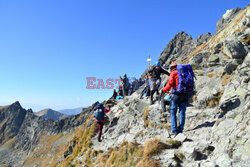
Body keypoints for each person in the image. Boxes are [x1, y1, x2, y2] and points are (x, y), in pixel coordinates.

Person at [159, 62, 190, 136]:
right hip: (185, 95)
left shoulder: (173, 73)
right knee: (182, 112)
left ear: (171, 68)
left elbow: (169, 85)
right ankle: (180, 130)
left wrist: (162, 90)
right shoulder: (184, 72)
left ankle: (174, 130)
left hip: (176, 95)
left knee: (173, 112)